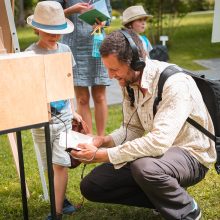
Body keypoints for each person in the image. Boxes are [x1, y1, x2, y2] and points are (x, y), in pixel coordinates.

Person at [70, 29, 217, 220]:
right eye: (107, 69)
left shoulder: (175, 83)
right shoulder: (129, 82)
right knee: (93, 186)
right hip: (158, 155)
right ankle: (164, 197)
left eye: (114, 69)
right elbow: (133, 129)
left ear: (135, 61)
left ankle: (188, 210)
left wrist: (103, 155)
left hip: (192, 154)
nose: (111, 75)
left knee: (145, 167)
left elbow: (158, 142)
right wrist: (103, 140)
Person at [26, 2, 82, 219]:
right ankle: (62, 201)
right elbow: (29, 88)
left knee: (61, 162)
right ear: (37, 28)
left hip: (65, 118)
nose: (54, 36)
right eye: (49, 31)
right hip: (42, 121)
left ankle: (56, 212)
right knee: (49, 163)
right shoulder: (31, 54)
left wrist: (74, 109)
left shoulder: (65, 50)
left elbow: (69, 83)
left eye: (57, 32)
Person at [52, 0, 112, 136]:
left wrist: (103, 22)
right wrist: (70, 10)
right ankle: (89, 139)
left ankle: (101, 138)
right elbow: (52, 16)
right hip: (74, 46)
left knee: (100, 96)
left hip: (98, 44)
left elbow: (108, 18)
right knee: (82, 98)